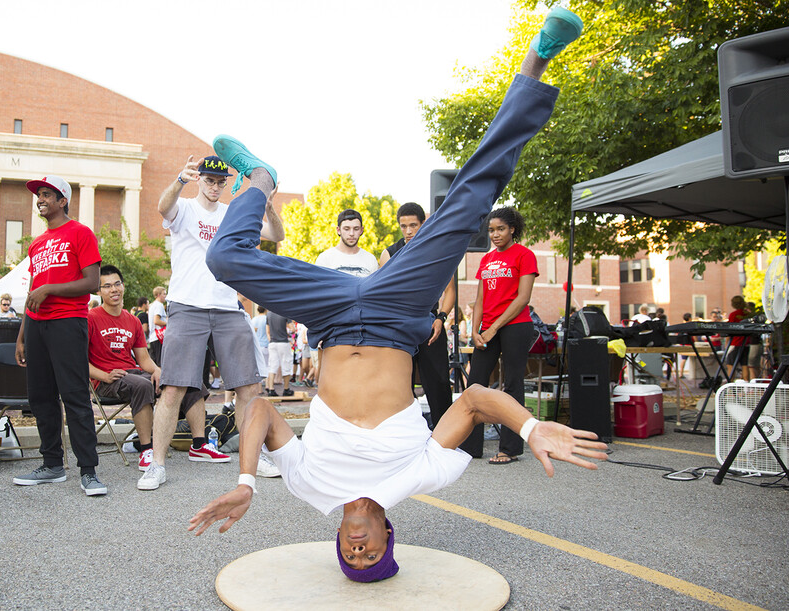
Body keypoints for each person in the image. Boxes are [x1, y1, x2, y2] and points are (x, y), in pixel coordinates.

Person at [188, 9, 606, 583]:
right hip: (393, 310)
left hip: (330, 315)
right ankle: (538, 60)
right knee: (469, 204)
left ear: (339, 539)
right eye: (371, 553)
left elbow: (257, 408)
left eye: (351, 555)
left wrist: (245, 480)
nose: (359, 547)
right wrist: (534, 428)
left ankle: (260, 178)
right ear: (390, 537)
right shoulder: (420, 477)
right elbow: (476, 400)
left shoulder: (311, 488)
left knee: (223, 259)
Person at [139, 155, 286, 491]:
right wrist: (179, 178)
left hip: (227, 307)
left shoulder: (232, 214)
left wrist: (268, 204)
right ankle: (157, 464)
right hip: (187, 306)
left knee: (249, 386)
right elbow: (164, 207)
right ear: (199, 180)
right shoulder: (185, 208)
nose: (215, 186)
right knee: (174, 387)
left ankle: (255, 455)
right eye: (209, 180)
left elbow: (275, 236)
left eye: (221, 182)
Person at [11, 175, 105, 496]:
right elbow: (32, 291)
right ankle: (52, 465)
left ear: (63, 200)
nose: (41, 199)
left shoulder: (80, 233)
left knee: (74, 396)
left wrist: (50, 288)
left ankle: (89, 471)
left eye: (47, 194)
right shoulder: (36, 243)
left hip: (68, 322)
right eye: (39, 195)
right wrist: (23, 335)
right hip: (36, 326)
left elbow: (92, 282)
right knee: (40, 397)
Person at [88, 265, 210, 473]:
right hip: (105, 381)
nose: (113, 289)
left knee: (187, 379)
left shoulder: (133, 320)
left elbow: (144, 360)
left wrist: (158, 371)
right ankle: (147, 450)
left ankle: (200, 445)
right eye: (107, 286)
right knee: (142, 385)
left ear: (123, 286)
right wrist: (105, 376)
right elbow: (79, 362)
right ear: (99, 291)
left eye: (117, 284)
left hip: (132, 373)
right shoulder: (90, 318)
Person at [459, 205, 538, 464]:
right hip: (487, 329)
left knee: (512, 385)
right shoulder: (486, 259)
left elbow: (522, 298)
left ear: (512, 229)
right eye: (491, 230)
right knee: (475, 385)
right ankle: (471, 447)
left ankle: (510, 448)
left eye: (500, 229)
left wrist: (494, 328)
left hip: (515, 326)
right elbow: (480, 298)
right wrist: (475, 329)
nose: (495, 234)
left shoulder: (524, 255)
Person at [379, 202, 457, 429]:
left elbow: (450, 290)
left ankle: (444, 432)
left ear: (423, 224)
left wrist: (441, 318)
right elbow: (383, 293)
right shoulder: (389, 253)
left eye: (413, 225)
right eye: (403, 226)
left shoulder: (438, 251)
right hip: (400, 325)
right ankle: (404, 431)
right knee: (400, 382)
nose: (409, 231)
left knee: (439, 380)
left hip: (430, 322)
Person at [314, 209, 379, 277]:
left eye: (356, 229)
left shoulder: (370, 259)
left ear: (361, 230)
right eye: (346, 229)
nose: (351, 233)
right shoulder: (325, 259)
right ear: (338, 230)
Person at [265, 309, 294, 397]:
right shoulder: (285, 312)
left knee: (272, 366)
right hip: (283, 342)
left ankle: (271, 389)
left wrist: (271, 340)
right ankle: (286, 389)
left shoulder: (269, 314)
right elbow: (292, 329)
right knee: (286, 365)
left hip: (272, 343)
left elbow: (268, 331)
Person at [146, 286, 167, 366]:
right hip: (159, 337)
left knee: (154, 364)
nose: (165, 296)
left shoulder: (152, 305)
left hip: (153, 338)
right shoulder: (159, 305)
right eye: (164, 294)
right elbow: (156, 321)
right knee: (160, 364)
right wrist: (168, 323)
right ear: (158, 295)